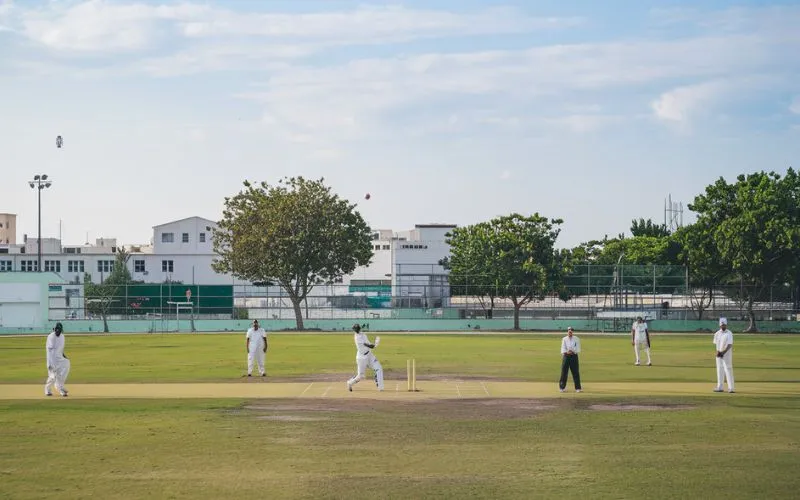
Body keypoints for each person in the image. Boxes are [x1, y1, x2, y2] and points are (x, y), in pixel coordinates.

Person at [347, 324, 384, 392]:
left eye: (358, 328)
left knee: (379, 368)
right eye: (356, 329)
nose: (358, 330)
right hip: (361, 358)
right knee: (361, 376)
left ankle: (380, 387)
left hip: (369, 355)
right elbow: (370, 346)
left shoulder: (363, 334)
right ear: (355, 330)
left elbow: (369, 344)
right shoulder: (357, 338)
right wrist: (376, 343)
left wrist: (374, 343)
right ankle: (350, 383)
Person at [44, 322, 70, 397]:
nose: (58, 331)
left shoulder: (62, 336)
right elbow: (51, 351)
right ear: (54, 329)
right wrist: (51, 364)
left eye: (59, 330)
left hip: (59, 359)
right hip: (51, 360)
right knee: (52, 376)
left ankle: (60, 386)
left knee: (67, 363)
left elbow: (60, 349)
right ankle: (47, 389)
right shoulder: (51, 337)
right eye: (56, 329)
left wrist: (64, 356)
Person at [713, 317, 735, 393]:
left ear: (726, 325)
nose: (723, 326)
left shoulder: (729, 333)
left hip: (727, 354)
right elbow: (716, 344)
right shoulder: (717, 333)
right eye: (722, 325)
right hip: (719, 354)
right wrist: (718, 352)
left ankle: (731, 388)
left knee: (728, 369)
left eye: (724, 325)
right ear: (720, 325)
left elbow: (729, 345)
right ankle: (720, 387)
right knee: (719, 369)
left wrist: (723, 352)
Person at [559, 327, 582, 393]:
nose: (570, 332)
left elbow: (578, 348)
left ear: (572, 332)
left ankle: (578, 388)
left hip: (574, 356)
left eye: (571, 331)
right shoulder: (564, 339)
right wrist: (567, 352)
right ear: (567, 331)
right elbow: (562, 348)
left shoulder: (576, 339)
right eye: (569, 331)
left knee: (575, 372)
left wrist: (572, 351)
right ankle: (561, 387)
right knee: (564, 372)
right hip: (566, 356)